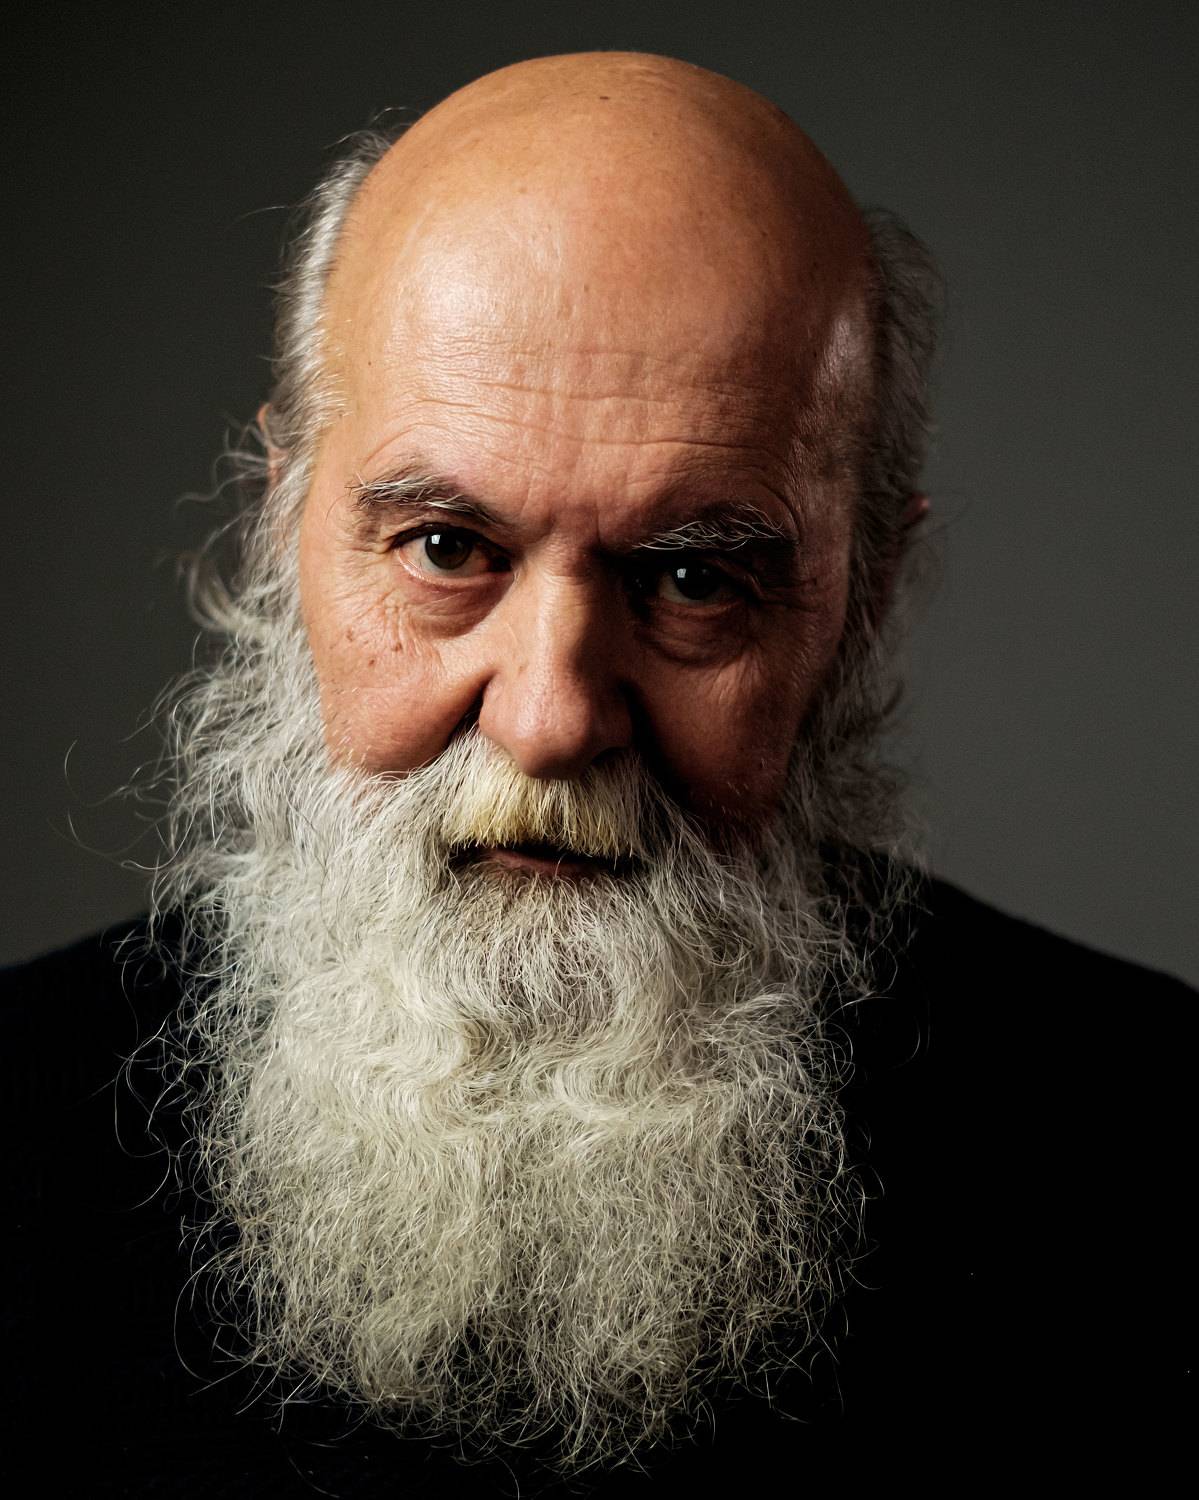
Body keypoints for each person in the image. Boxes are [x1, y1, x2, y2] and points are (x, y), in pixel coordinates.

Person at [3, 51, 1191, 1497]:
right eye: (447, 549)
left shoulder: (1152, 1157)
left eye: (693, 579)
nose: (552, 718)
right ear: (283, 527)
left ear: (866, 594)